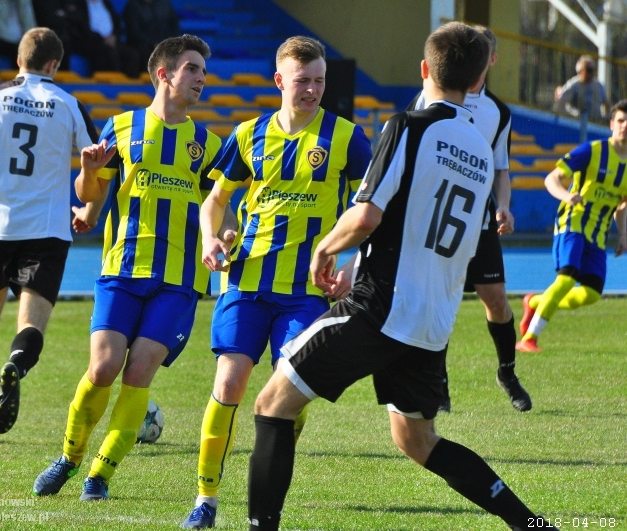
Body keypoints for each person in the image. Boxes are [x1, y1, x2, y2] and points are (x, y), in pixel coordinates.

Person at [245, 22, 557, 531]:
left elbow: (368, 215)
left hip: (380, 306)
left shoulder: (409, 126)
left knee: (272, 404)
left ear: (424, 69)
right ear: (476, 78)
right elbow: (428, 229)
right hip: (433, 321)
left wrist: (326, 248)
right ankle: (531, 524)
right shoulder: (480, 149)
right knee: (417, 440)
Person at [180, 36, 372, 529]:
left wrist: (351, 265)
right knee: (230, 381)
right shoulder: (248, 135)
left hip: (307, 291)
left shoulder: (347, 139)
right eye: (302, 80)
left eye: (319, 81)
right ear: (279, 80)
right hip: (246, 280)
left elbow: (372, 212)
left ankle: (273, 460)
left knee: (290, 393)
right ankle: (205, 500)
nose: (312, 89)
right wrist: (209, 238)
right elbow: (215, 200)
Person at [31, 34, 230, 502]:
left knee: (138, 373)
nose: (201, 78)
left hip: (180, 280)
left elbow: (219, 208)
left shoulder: (209, 145)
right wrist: (88, 170)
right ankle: (69, 456)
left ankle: (99, 475)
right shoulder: (122, 128)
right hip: (122, 270)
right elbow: (90, 193)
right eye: (192, 68)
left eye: (203, 71)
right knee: (102, 368)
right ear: (164, 74)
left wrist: (223, 237)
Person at [0, 27, 100, 443]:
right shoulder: (69, 104)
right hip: (48, 231)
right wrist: (88, 209)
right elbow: (97, 168)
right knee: (31, 324)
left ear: (19, 61)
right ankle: (16, 364)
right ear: (54, 65)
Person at [407, 26, 531, 412]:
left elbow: (500, 167)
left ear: (491, 59)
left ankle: (507, 372)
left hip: (477, 222)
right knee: (439, 300)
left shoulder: (498, 112)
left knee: (496, 299)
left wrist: (503, 204)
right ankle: (438, 383)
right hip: (438, 220)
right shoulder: (427, 99)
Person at [516, 99, 627, 353]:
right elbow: (551, 179)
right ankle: (529, 338)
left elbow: (622, 204)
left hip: (598, 233)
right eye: (620, 120)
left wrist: (623, 234)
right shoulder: (591, 151)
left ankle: (534, 302)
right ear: (611, 124)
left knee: (591, 294)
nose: (625, 126)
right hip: (573, 221)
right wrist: (567, 196)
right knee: (566, 279)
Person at [63, 0, 142, 78]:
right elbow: (81, 27)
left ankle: (129, 84)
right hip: (92, 42)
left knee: (132, 55)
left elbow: (117, 23)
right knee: (109, 53)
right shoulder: (80, 5)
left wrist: (114, 36)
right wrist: (102, 39)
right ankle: (113, 82)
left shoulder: (106, 3)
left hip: (112, 40)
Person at [554, 55, 610, 139]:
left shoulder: (598, 85)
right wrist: (568, 118)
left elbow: (607, 103)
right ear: (580, 71)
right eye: (588, 70)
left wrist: (605, 118)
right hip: (577, 125)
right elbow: (561, 101)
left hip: (595, 125)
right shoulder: (573, 85)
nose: (590, 73)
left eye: (592, 70)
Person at [123, 0, 180, 71]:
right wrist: (153, 43)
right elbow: (134, 32)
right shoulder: (133, 6)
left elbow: (174, 27)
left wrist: (166, 43)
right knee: (144, 51)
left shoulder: (165, 4)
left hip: (164, 42)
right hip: (143, 44)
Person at [0, 0, 36, 69]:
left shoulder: (24, 3)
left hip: (19, 42)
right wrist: (21, 43)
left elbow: (30, 27)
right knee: (19, 51)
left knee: (37, 50)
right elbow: (0, 32)